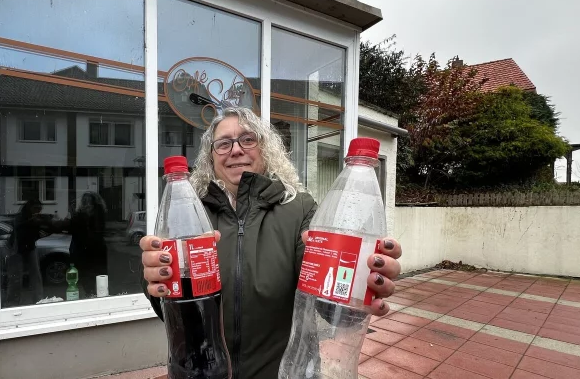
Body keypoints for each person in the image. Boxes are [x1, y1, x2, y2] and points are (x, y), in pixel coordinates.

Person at [140, 107, 403, 378]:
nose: (236, 150)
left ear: (265, 149)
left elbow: (325, 303)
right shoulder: (190, 219)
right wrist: (155, 279)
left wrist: (362, 284)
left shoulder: (299, 209)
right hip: (205, 371)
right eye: (223, 144)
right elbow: (177, 313)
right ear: (210, 156)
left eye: (248, 139)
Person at [69, 191, 109, 297]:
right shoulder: (84, 215)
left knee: (95, 275)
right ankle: (93, 294)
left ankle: (94, 294)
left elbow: (93, 232)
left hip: (91, 250)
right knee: (91, 275)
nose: (87, 206)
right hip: (88, 250)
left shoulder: (95, 214)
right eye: (85, 203)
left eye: (89, 203)